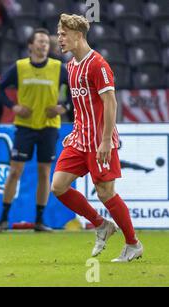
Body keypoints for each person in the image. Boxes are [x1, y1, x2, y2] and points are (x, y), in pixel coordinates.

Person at [53, 14, 143, 262]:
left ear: (78, 35)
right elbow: (82, 105)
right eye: (59, 34)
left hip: (100, 141)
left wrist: (105, 140)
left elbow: (110, 102)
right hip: (79, 139)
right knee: (58, 186)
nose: (59, 39)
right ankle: (101, 224)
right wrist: (75, 130)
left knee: (105, 192)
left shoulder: (98, 64)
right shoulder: (70, 66)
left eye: (63, 34)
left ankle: (133, 244)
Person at [0, 28, 70, 232]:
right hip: (25, 127)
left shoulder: (58, 67)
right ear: (30, 45)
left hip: (49, 127)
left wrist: (64, 108)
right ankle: (3, 219)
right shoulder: (19, 67)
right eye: (40, 41)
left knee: (44, 173)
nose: (44, 45)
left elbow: (75, 92)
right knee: (15, 171)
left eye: (46, 42)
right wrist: (13, 106)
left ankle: (39, 220)